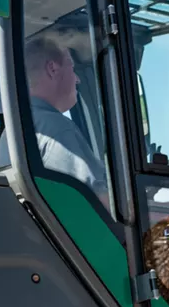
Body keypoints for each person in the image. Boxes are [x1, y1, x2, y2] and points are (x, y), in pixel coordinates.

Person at [24, 36, 109, 201]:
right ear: (53, 69)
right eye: (72, 67)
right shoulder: (57, 129)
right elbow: (99, 203)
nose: (77, 79)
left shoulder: (12, 134)